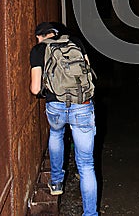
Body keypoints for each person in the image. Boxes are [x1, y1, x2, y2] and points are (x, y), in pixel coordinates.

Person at [30, 22, 98, 216]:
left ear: (40, 36)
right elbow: (88, 74)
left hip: (56, 105)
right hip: (82, 106)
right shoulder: (75, 42)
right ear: (56, 33)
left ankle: (57, 181)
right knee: (86, 164)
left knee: (56, 133)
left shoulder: (38, 50)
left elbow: (35, 89)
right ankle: (90, 213)